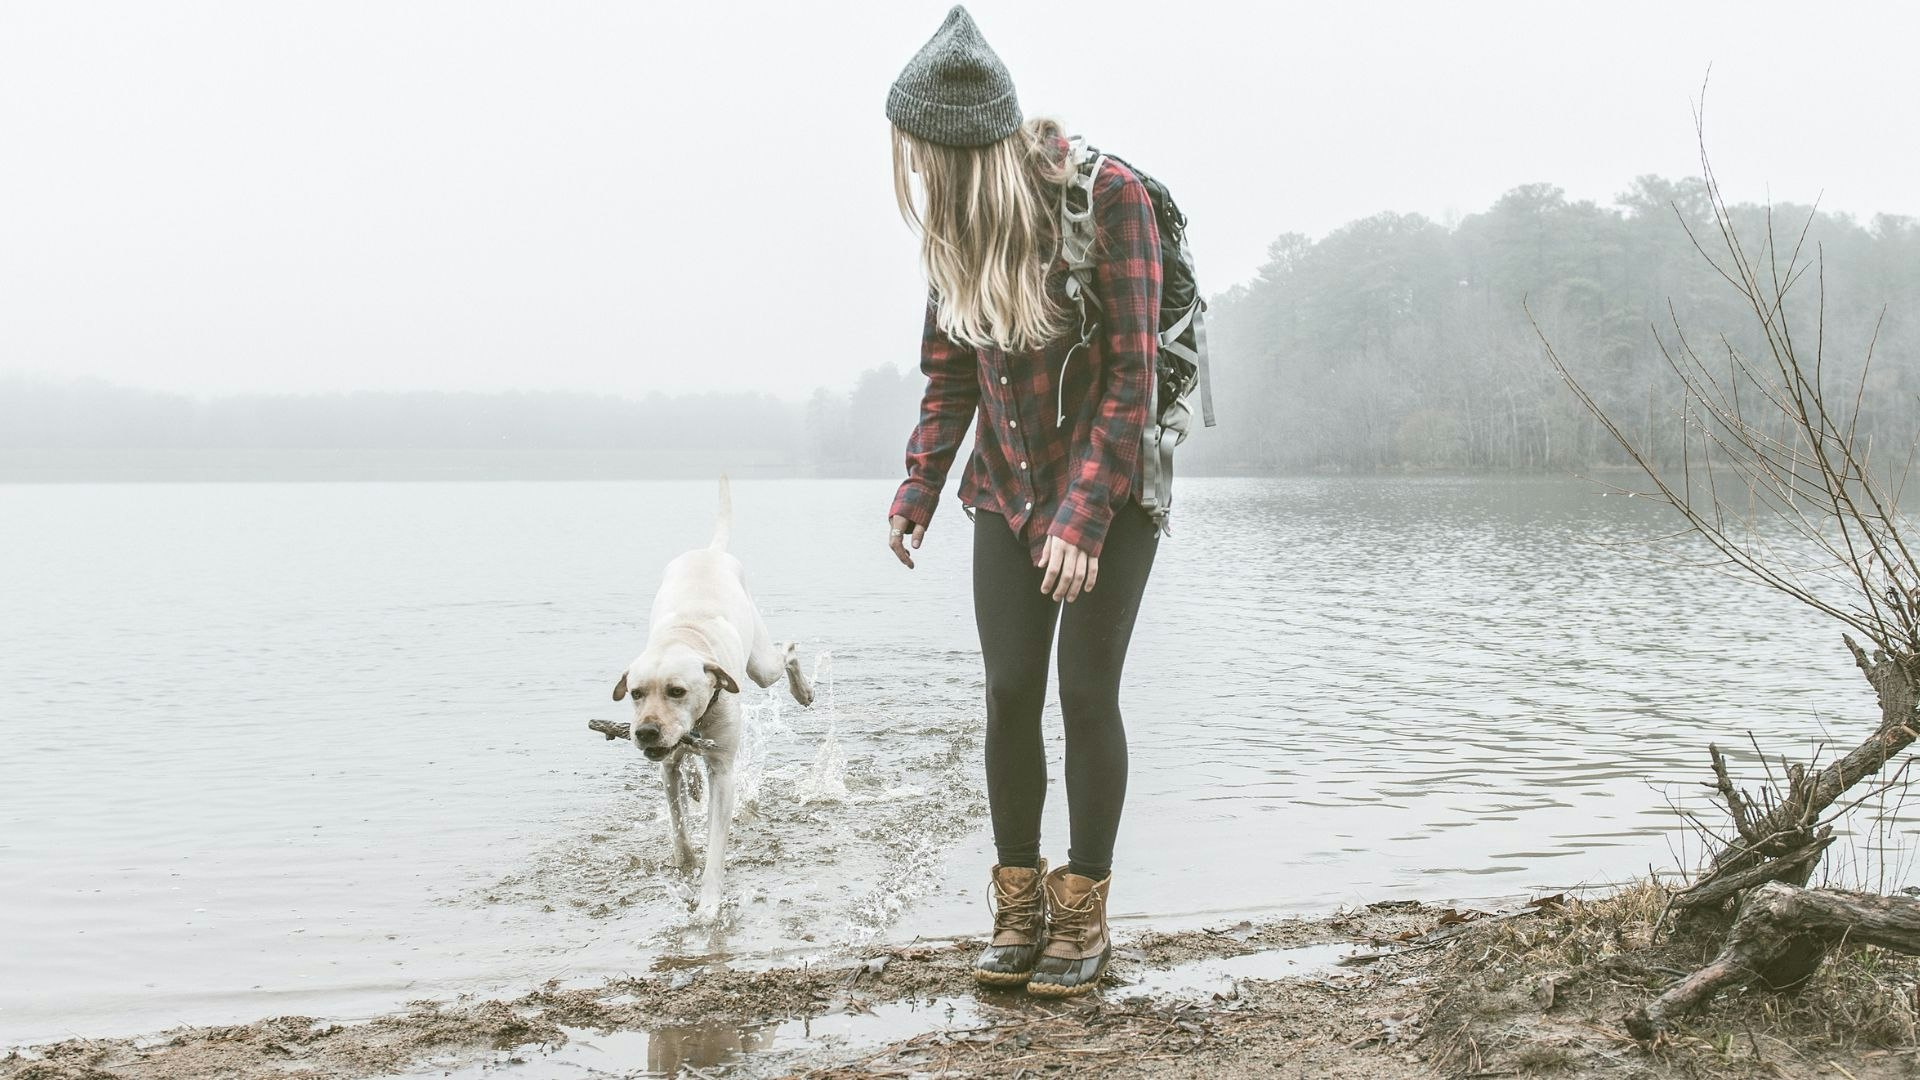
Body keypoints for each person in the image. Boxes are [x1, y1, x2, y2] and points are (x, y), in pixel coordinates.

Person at [882, 5, 1163, 997]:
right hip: (1004, 492)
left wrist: (1086, 520)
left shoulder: (1107, 197)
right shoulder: (955, 232)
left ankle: (1083, 912)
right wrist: (919, 485)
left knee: (1085, 695)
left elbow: (1133, 377)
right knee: (1008, 696)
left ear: (967, 146)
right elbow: (949, 374)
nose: (918, 178)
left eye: (924, 158)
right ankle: (1016, 905)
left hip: (1112, 489)